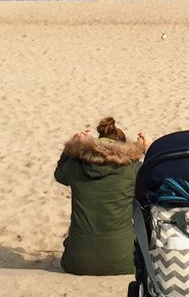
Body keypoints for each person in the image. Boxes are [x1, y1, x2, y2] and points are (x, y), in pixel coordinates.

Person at [54, 117, 148, 275]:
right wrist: (148, 148)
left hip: (76, 262)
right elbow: (158, 176)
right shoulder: (132, 170)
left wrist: (73, 145)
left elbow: (59, 175)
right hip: (124, 262)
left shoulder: (76, 167)